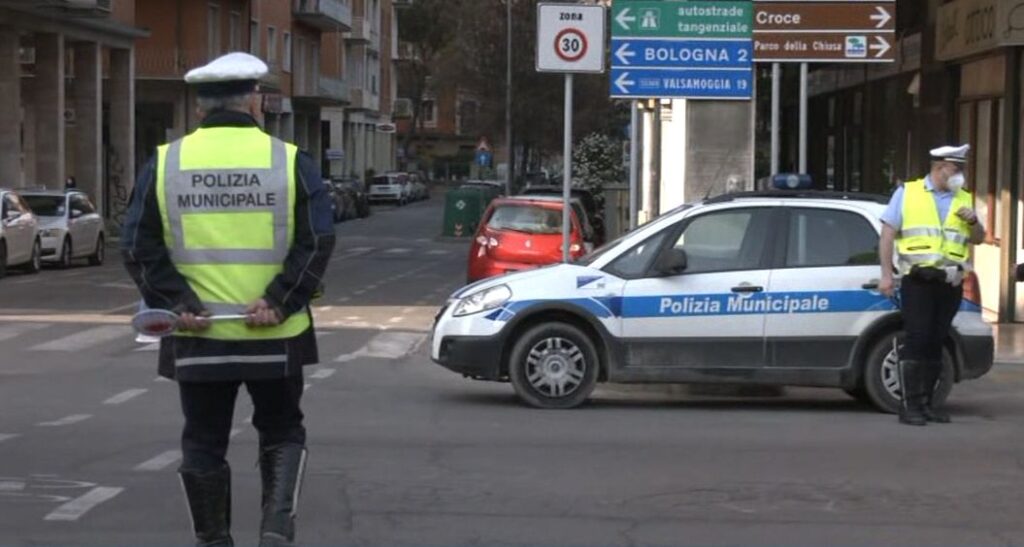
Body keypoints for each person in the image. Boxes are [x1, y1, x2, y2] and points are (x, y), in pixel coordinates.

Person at [122, 52, 335, 546]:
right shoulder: (288, 161)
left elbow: (136, 246)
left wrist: (177, 302)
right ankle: (276, 531)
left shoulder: (165, 163)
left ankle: (214, 540)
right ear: (256, 103)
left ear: (200, 109)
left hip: (199, 334)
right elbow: (317, 241)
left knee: (203, 441)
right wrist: (280, 300)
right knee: (282, 432)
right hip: (274, 333)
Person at [878, 144, 986, 426]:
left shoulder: (964, 197)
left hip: (949, 283)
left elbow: (978, 237)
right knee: (918, 338)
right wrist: (886, 274)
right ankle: (910, 405)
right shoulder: (908, 193)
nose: (960, 174)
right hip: (918, 281)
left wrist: (974, 221)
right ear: (940, 168)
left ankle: (928, 404)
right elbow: (888, 234)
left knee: (937, 341)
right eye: (956, 168)